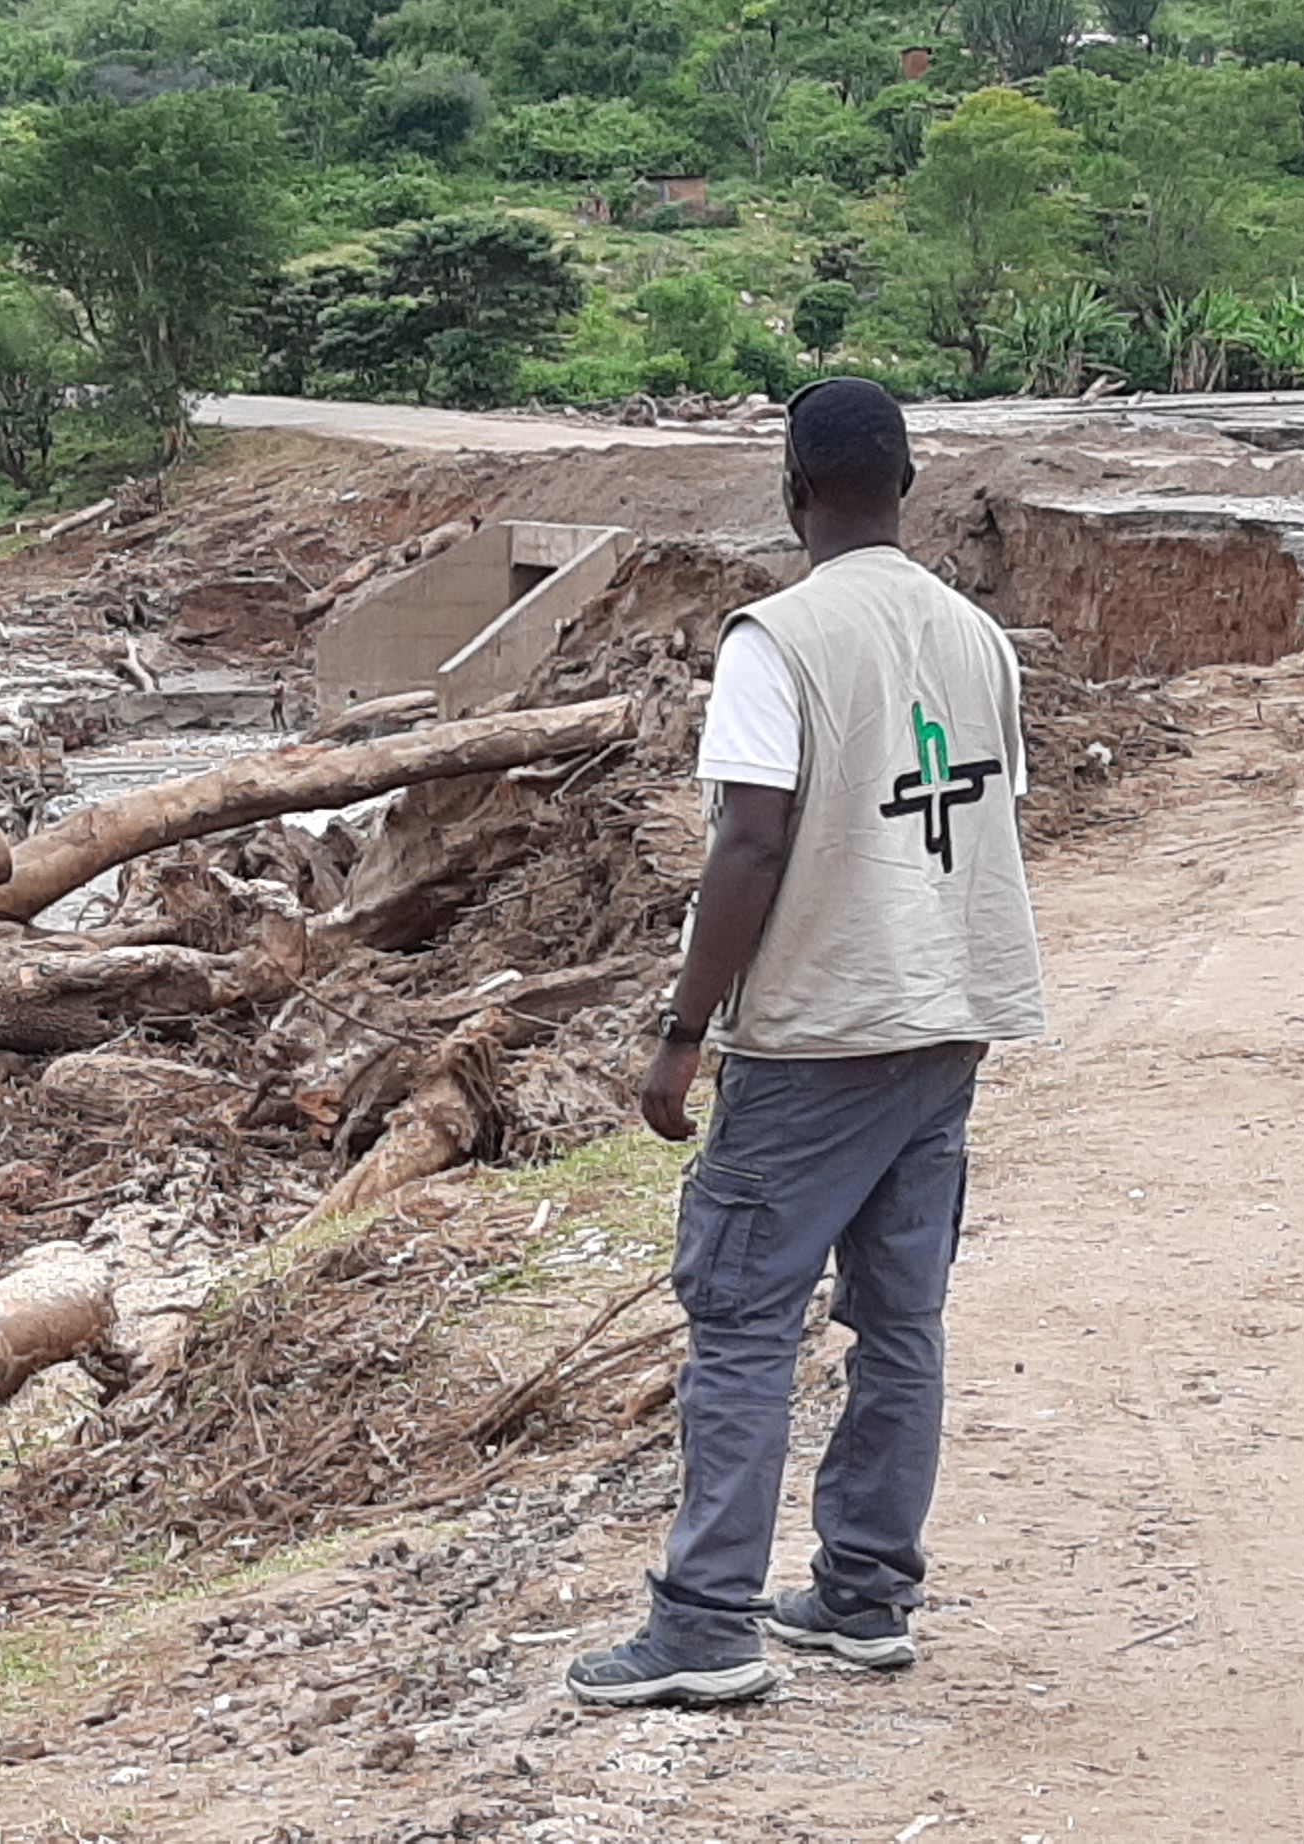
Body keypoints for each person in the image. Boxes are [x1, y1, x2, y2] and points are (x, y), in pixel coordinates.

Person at [566, 378, 1048, 1709]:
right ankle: (864, 1594)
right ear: (908, 485)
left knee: (741, 1317)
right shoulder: (977, 638)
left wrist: (681, 1033)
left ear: (791, 490)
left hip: (815, 1036)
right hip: (946, 1020)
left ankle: (705, 1621)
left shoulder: (774, 640)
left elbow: (749, 843)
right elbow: (978, 815)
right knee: (900, 1317)